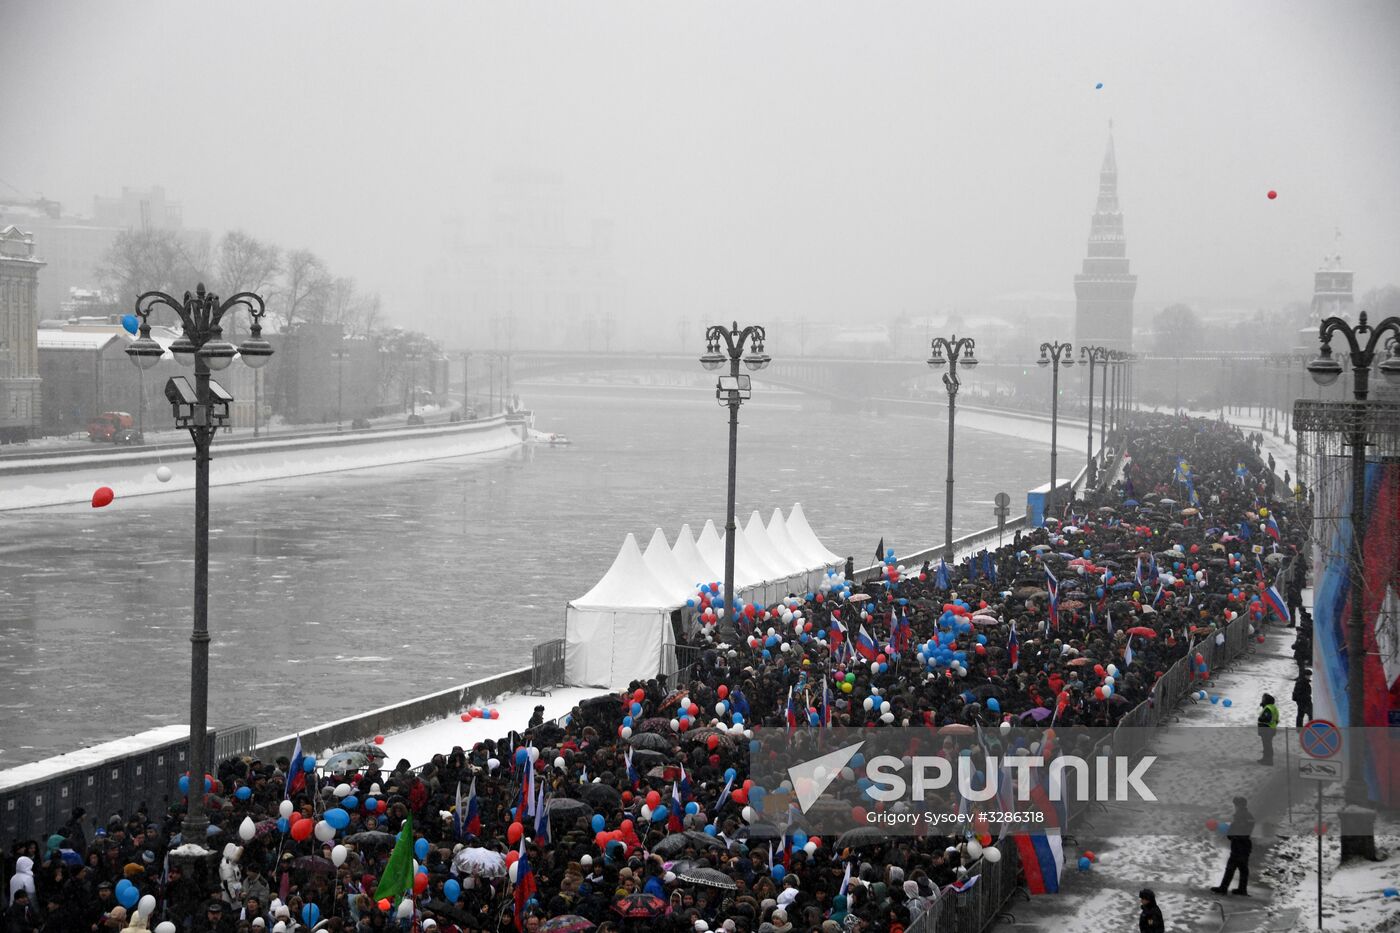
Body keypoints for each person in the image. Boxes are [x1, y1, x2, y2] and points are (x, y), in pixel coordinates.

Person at [1212, 797, 1255, 896]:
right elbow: (1247, 829)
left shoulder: (1240, 815)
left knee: (1231, 867)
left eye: (1235, 804)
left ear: (1238, 805)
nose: (1234, 807)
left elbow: (1238, 828)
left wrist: (1230, 834)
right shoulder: (1249, 815)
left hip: (1239, 844)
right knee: (1243, 868)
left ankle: (1223, 888)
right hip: (1245, 843)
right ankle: (1242, 889)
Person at [1257, 694, 1280, 764]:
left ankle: (1268, 760)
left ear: (1266, 701)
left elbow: (1267, 719)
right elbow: (1275, 719)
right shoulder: (1273, 707)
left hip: (1267, 729)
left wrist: (1260, 719)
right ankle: (1267, 759)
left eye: (1263, 699)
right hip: (1271, 729)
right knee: (1268, 744)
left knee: (1267, 745)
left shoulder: (1268, 708)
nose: (1262, 700)